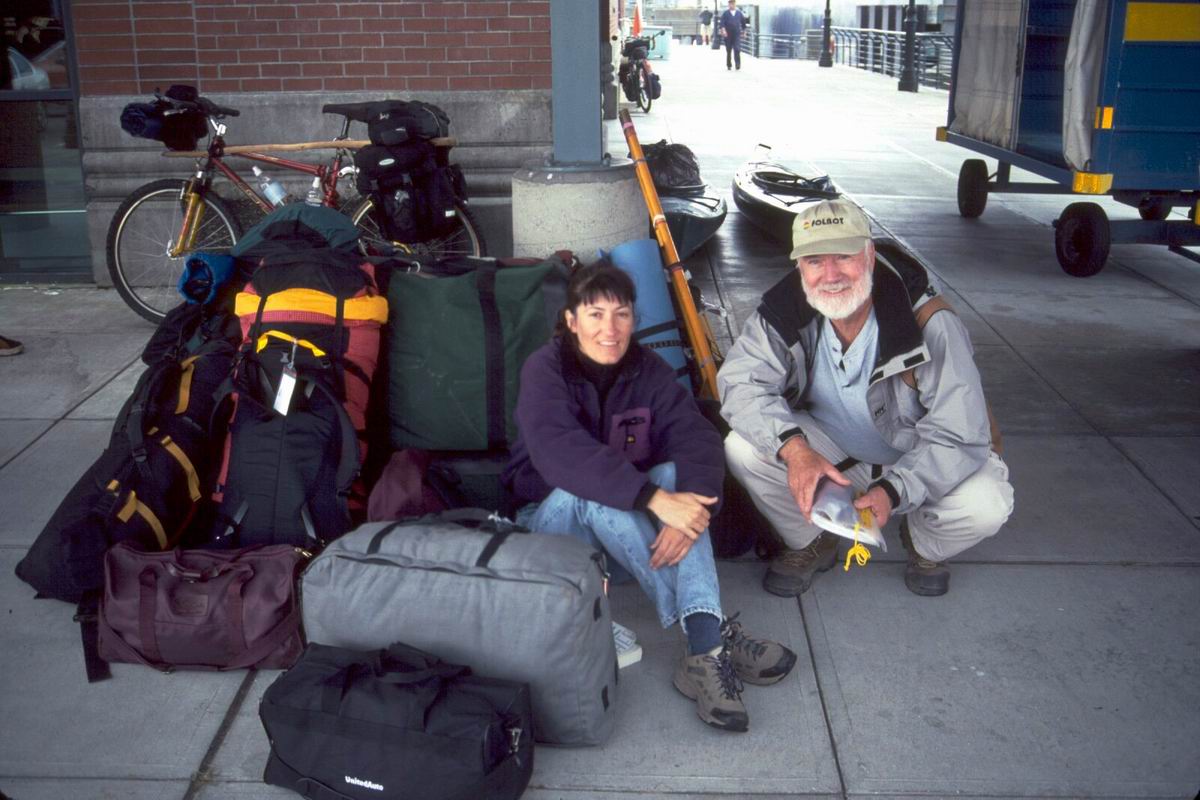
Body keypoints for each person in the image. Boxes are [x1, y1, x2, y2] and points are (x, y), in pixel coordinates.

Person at [504, 262, 796, 733]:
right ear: (571, 320)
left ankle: (703, 655)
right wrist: (656, 501)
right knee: (602, 492)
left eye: (621, 315)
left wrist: (693, 511)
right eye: (595, 314)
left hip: (621, 541)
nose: (609, 328)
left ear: (635, 321)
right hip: (553, 534)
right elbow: (562, 452)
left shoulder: (648, 369)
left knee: (677, 478)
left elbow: (696, 436)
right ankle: (711, 634)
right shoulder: (546, 369)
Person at [719, 198, 1014, 598]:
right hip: (836, 457)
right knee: (743, 447)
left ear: (870, 254)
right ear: (799, 267)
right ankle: (813, 540)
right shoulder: (784, 308)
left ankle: (924, 541)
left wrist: (896, 490)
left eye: (844, 256)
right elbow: (740, 383)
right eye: (814, 261)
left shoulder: (930, 323)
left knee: (987, 503)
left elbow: (960, 434)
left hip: (916, 458)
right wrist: (795, 450)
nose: (830, 274)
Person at [719, 0, 748, 70]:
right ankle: (729, 64)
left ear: (735, 4)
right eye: (730, 3)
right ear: (728, 4)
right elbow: (722, 23)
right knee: (728, 50)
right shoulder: (725, 13)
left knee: (737, 49)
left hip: (736, 34)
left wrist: (744, 32)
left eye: (733, 3)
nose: (731, 4)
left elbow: (743, 24)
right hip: (728, 34)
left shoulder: (739, 13)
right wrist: (724, 30)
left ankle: (737, 65)